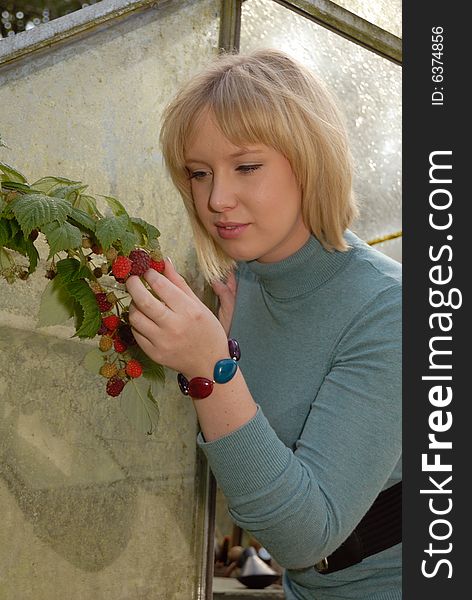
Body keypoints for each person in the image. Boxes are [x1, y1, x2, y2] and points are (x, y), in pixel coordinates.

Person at [126, 49, 402, 600]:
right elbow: (253, 476)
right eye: (199, 174)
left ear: (311, 161)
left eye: (246, 167)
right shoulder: (242, 285)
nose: (216, 200)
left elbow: (306, 535)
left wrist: (213, 368)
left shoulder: (390, 311)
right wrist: (217, 358)